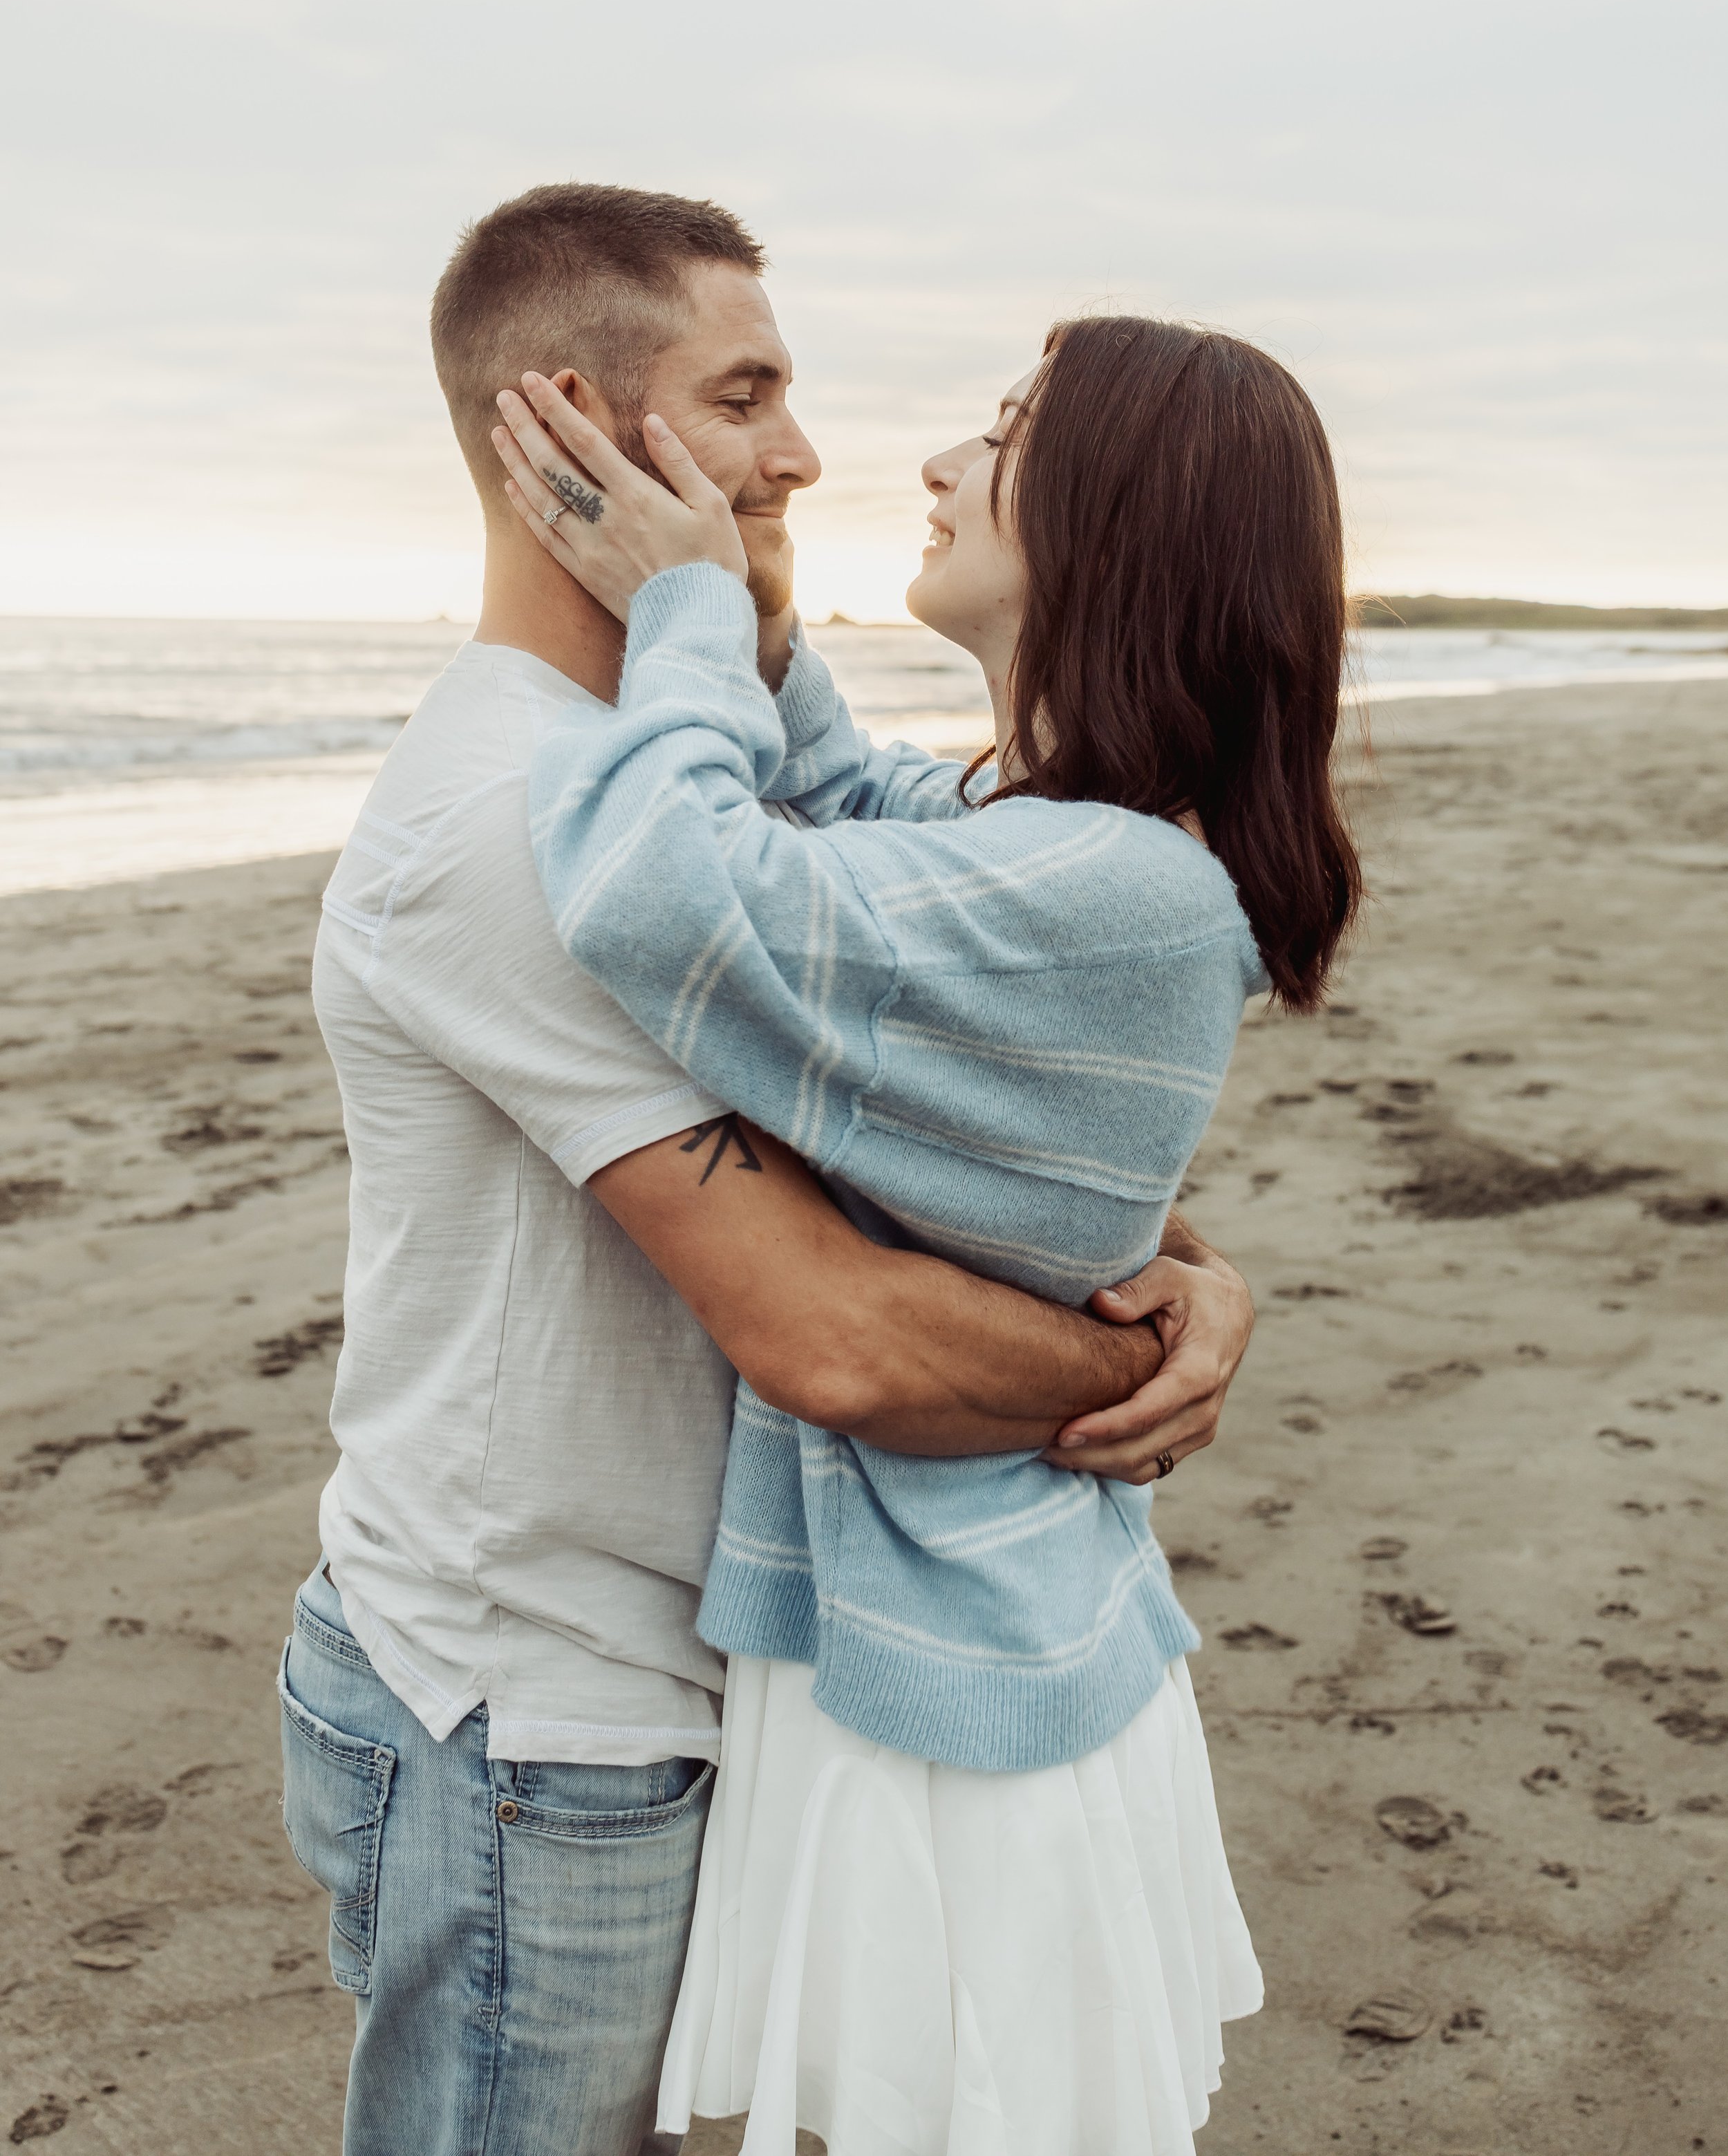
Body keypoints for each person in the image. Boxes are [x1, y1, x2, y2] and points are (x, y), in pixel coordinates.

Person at [281, 185, 1257, 2156]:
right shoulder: (520, 827)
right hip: (535, 1712)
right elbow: (831, 1326)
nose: (809, 452)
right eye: (747, 394)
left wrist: (1175, 1258)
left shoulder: (674, 785)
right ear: (566, 422)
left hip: (695, 1669)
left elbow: (918, 1113)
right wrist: (1134, 1360)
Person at [492, 308, 1362, 2155]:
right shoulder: (1042, 831)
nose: (939, 465)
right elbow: (837, 801)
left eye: (1002, 433)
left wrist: (687, 622)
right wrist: (745, 588)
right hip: (937, 1629)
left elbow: (663, 885)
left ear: (1123, 518)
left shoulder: (1110, 879)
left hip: (957, 1682)